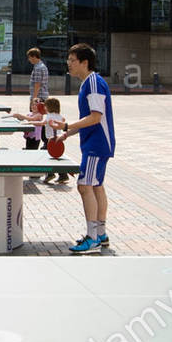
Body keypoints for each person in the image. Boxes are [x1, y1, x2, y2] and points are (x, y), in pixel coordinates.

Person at [61, 44, 115, 253]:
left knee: (85, 186)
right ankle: (100, 233)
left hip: (96, 145)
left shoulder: (93, 83)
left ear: (85, 62)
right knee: (96, 186)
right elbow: (91, 118)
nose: (69, 63)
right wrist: (68, 133)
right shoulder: (89, 83)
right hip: (96, 143)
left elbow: (95, 117)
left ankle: (92, 238)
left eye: (72, 60)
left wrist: (67, 126)